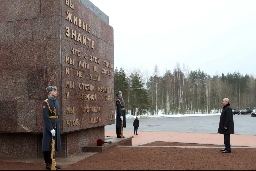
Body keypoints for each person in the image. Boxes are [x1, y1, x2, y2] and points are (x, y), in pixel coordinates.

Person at [42, 86, 61, 170]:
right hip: (49, 126)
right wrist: (50, 128)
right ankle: (48, 163)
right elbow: (45, 117)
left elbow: (58, 114)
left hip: (56, 125)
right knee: (47, 145)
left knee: (54, 144)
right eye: (54, 90)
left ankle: (53, 162)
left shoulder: (56, 102)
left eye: (56, 90)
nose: (56, 92)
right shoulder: (46, 102)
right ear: (50, 92)